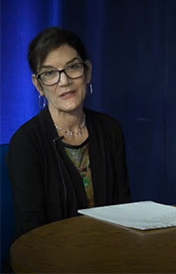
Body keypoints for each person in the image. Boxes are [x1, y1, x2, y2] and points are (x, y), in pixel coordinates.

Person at [7, 27, 131, 238]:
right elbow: (32, 232)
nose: (64, 81)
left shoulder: (110, 130)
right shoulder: (26, 142)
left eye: (72, 67)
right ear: (38, 85)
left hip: (109, 254)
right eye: (49, 73)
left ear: (88, 71)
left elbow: (125, 210)